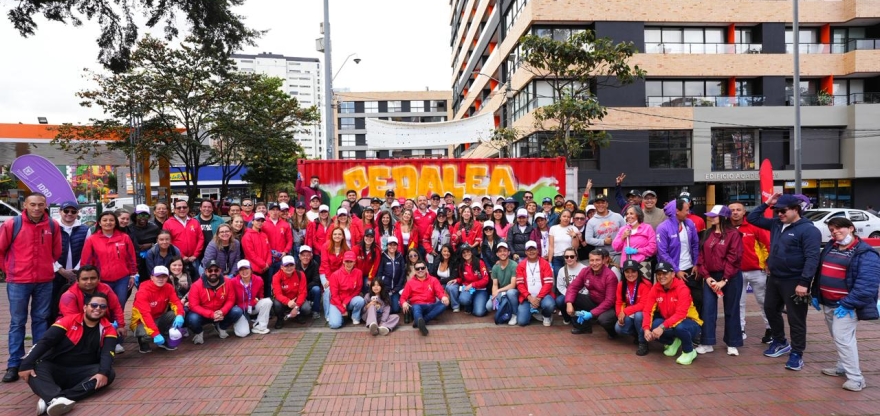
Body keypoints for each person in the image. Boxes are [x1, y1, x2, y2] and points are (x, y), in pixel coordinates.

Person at [748, 193, 822, 371]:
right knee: (770, 309)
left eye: (783, 211)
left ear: (796, 210)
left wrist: (804, 282)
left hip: (795, 280)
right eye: (777, 211)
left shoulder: (809, 230)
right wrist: (767, 203)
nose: (779, 214)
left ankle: (797, 353)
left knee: (796, 319)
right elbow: (752, 217)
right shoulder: (776, 224)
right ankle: (780, 341)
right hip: (775, 278)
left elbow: (812, 258)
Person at [18, 292, 116, 415]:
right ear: (85, 307)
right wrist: (26, 364)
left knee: (108, 374)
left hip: (80, 372)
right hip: (54, 368)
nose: (98, 309)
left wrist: (103, 373)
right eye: (94, 305)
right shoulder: (68, 321)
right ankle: (55, 398)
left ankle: (54, 398)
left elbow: (108, 353)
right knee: (35, 367)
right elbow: (45, 342)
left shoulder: (108, 328)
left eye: (103, 306)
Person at [812, 217, 880, 392]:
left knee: (843, 339)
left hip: (846, 307)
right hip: (828, 302)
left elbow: (867, 285)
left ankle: (856, 379)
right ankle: (842, 366)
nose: (835, 232)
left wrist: (848, 304)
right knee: (839, 338)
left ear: (851, 228)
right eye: (832, 230)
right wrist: (815, 294)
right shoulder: (831, 246)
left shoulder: (866, 253)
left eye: (838, 228)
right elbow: (820, 272)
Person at [0, 193, 62, 382]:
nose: (36, 208)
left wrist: (44, 267)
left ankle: (37, 359)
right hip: (18, 281)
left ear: (46, 206)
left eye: (40, 205)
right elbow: (1, 249)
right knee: (17, 322)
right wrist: (9, 270)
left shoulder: (53, 225)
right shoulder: (12, 224)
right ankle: (14, 363)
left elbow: (56, 251)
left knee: (40, 320)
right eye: (33, 204)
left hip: (44, 280)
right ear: (25, 205)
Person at [80, 211, 137, 351]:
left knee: (119, 307)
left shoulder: (124, 237)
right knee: (102, 309)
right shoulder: (92, 239)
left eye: (111, 220)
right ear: (99, 223)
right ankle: (103, 339)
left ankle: (117, 340)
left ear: (115, 222)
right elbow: (86, 261)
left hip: (121, 279)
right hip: (102, 280)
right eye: (104, 220)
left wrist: (133, 275)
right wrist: (88, 279)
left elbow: (131, 258)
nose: (108, 223)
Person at [694, 205, 744, 356]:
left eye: (714, 215)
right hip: (711, 276)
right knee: (708, 309)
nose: (711, 218)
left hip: (731, 277)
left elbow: (734, 258)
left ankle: (732, 342)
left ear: (723, 217)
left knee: (732, 309)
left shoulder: (733, 234)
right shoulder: (706, 234)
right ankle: (707, 342)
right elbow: (700, 257)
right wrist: (707, 276)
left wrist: (724, 280)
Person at [642, 262, 704, 366]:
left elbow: (681, 314)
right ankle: (673, 342)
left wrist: (662, 327)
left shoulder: (682, 289)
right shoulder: (655, 288)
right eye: (659, 274)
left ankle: (689, 351)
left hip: (690, 322)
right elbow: (647, 310)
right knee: (653, 326)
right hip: (671, 322)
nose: (661, 277)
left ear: (673, 274)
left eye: (665, 273)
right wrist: (646, 329)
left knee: (680, 327)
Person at [729, 201, 772, 343]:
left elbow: (767, 245)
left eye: (738, 210)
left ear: (743, 212)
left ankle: (770, 329)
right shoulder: (725, 228)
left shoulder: (754, 226)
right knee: (738, 302)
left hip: (757, 271)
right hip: (735, 272)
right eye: (732, 210)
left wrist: (767, 263)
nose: (735, 212)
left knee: (764, 301)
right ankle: (739, 329)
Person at [58, 266, 126, 344]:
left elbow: (116, 308)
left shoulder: (105, 288)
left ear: (99, 279)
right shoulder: (68, 296)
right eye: (85, 279)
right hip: (75, 327)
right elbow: (71, 320)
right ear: (77, 280)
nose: (89, 282)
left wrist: (120, 326)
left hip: (101, 323)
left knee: (119, 336)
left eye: (93, 278)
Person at [656, 199, 701, 315]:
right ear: (677, 211)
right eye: (686, 210)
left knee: (698, 300)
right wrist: (676, 271)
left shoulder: (689, 223)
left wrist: (696, 263)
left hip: (690, 269)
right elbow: (662, 253)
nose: (688, 212)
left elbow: (695, 245)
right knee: (675, 303)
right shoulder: (663, 228)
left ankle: (697, 328)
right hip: (672, 272)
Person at [185, 260, 245, 344]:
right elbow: (193, 306)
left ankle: (221, 327)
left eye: (216, 270)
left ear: (220, 271)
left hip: (220, 313)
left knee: (237, 311)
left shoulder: (227, 282)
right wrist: (211, 314)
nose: (213, 273)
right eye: (210, 270)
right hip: (203, 315)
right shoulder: (196, 285)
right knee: (192, 318)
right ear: (205, 271)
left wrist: (222, 311)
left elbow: (231, 300)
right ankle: (199, 333)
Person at [51, 201, 91, 324]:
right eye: (66, 211)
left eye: (73, 211)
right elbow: (47, 251)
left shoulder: (85, 229)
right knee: (53, 305)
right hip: (55, 273)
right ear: (60, 211)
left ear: (77, 213)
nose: (69, 214)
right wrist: (60, 269)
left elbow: (87, 251)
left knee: (76, 304)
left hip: (77, 274)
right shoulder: (52, 227)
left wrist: (77, 270)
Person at [131, 265, 186, 353]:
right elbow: (145, 315)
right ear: (151, 277)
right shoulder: (143, 292)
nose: (161, 279)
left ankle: (163, 338)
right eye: (158, 276)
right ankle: (142, 341)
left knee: (174, 314)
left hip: (158, 318)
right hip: (141, 322)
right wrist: (155, 334)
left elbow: (176, 302)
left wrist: (180, 315)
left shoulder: (168, 287)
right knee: (147, 335)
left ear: (167, 277)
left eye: (164, 276)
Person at [566, 251, 619, 337]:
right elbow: (573, 287)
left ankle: (613, 332)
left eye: (597, 260)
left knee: (604, 319)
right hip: (593, 300)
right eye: (592, 260)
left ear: (603, 261)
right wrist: (569, 303)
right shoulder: (585, 271)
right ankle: (584, 327)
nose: (594, 263)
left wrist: (591, 313)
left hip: (609, 307)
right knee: (572, 297)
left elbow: (610, 301)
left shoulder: (610, 276)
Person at [400, 259, 451, 336]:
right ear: (414, 270)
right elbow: (403, 297)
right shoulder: (410, 283)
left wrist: (443, 297)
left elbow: (439, 292)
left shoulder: (433, 280)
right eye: (417, 269)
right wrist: (403, 303)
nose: (420, 270)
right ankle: (420, 322)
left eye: (422, 268)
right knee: (416, 308)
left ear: (426, 268)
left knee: (444, 304)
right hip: (417, 305)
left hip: (431, 305)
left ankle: (420, 321)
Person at [615, 260, 653, 356]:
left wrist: (625, 311)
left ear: (638, 272)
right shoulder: (621, 284)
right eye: (627, 272)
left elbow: (644, 304)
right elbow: (619, 302)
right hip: (629, 313)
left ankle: (643, 343)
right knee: (618, 328)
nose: (630, 274)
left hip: (643, 312)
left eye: (633, 271)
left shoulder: (645, 284)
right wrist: (619, 314)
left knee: (639, 315)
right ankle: (638, 334)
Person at [514, 241, 555, 326]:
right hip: (527, 298)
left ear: (537, 251)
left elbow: (548, 283)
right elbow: (520, 284)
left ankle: (546, 315)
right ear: (525, 252)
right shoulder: (521, 265)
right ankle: (534, 311)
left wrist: (539, 298)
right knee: (522, 322)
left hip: (543, 297)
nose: (531, 252)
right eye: (529, 250)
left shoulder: (545, 263)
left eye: (533, 249)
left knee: (549, 304)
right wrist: (529, 298)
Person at [163, 199, 205, 282]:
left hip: (194, 259)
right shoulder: (168, 223)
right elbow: (168, 242)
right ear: (174, 210)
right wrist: (182, 256)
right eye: (179, 208)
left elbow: (201, 239)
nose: (182, 209)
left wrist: (195, 255)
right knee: (179, 283)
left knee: (196, 281)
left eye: (184, 207)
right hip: (177, 259)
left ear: (188, 208)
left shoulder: (195, 222)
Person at [611, 206, 657, 278]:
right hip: (626, 265)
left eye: (631, 213)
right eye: (627, 214)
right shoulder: (623, 229)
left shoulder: (647, 228)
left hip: (642, 264)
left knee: (644, 287)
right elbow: (615, 247)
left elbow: (653, 248)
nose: (628, 216)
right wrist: (623, 237)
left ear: (638, 215)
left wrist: (637, 251)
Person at [230, 259, 274, 335]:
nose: (244, 272)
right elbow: (231, 300)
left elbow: (261, 296)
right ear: (238, 272)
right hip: (241, 309)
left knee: (267, 301)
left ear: (251, 269)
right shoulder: (232, 282)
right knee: (243, 333)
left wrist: (256, 301)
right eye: (241, 270)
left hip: (252, 306)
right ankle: (238, 323)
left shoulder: (259, 280)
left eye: (246, 268)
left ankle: (260, 326)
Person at [446, 244, 489, 316]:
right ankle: (470, 305)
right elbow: (462, 279)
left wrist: (473, 285)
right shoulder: (461, 265)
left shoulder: (480, 262)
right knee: (463, 300)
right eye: (464, 252)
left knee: (479, 313)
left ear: (471, 252)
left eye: (468, 251)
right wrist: (456, 280)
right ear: (462, 255)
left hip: (480, 289)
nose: (466, 254)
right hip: (468, 289)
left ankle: (479, 302)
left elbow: (486, 279)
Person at [327, 251, 365, 329]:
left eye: (351, 261)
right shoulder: (335, 275)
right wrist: (342, 309)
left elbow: (357, 290)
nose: (349, 264)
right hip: (337, 302)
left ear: (354, 262)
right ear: (343, 261)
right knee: (335, 325)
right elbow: (334, 295)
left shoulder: (358, 273)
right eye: (347, 261)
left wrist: (346, 302)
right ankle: (344, 315)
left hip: (349, 300)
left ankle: (355, 316)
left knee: (360, 300)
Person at [271, 255, 311, 329]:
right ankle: (280, 319)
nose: (289, 268)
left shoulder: (300, 274)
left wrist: (296, 307)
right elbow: (277, 294)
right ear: (281, 267)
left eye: (291, 265)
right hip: (283, 301)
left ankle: (298, 315)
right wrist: (288, 301)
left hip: (296, 300)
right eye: (286, 266)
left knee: (307, 308)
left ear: (295, 265)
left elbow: (303, 292)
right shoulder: (276, 277)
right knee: (276, 304)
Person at [584, 194, 625, 264]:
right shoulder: (591, 221)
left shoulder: (618, 216)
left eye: (603, 202)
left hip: (618, 254)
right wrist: (603, 241)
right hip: (601, 256)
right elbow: (588, 239)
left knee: (618, 274)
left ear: (607, 204)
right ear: (594, 205)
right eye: (598, 203)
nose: (600, 205)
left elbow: (625, 231)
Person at [128, 204, 160, 284]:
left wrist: (151, 244)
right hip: (135, 259)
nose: (143, 218)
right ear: (135, 216)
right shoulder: (129, 228)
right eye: (140, 215)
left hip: (151, 259)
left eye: (145, 215)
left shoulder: (154, 228)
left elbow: (160, 241)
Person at [241, 213, 272, 294]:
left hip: (265, 268)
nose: (260, 222)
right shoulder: (247, 236)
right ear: (252, 221)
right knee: (255, 291)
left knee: (265, 288)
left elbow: (269, 250)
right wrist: (263, 264)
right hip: (254, 269)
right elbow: (250, 254)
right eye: (258, 220)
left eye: (262, 221)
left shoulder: (264, 235)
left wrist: (268, 263)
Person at [555, 247, 586, 326]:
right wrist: (569, 296)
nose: (569, 259)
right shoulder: (562, 270)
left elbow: (588, 286)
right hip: (568, 294)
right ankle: (567, 318)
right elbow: (560, 286)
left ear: (576, 257)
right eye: (566, 257)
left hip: (582, 295)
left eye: (572, 256)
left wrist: (578, 295)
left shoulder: (584, 269)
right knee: (559, 300)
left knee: (578, 324)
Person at [263, 203, 293, 281]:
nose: (275, 212)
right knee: (268, 281)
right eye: (273, 210)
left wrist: (285, 252)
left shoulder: (285, 224)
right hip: (268, 258)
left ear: (279, 212)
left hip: (281, 257)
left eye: (277, 210)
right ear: (269, 211)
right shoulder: (263, 224)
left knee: (281, 280)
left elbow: (290, 240)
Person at [547, 209, 580, 276]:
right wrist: (549, 261)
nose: (566, 218)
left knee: (570, 278)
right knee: (558, 277)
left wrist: (574, 236)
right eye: (564, 216)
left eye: (568, 217)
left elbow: (575, 247)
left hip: (570, 257)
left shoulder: (574, 229)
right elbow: (551, 246)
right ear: (560, 217)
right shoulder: (553, 228)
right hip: (557, 258)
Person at [378, 236, 406, 313]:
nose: (392, 247)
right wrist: (382, 285)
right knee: (385, 309)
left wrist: (397, 287)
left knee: (395, 309)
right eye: (390, 245)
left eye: (394, 245)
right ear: (387, 245)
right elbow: (379, 272)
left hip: (396, 289)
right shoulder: (383, 256)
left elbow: (403, 273)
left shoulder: (400, 256)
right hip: (385, 288)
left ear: (397, 246)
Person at [195, 200, 224, 267]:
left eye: (209, 207)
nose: (207, 209)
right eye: (204, 207)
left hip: (215, 252)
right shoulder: (193, 220)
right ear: (200, 208)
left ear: (212, 208)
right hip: (198, 254)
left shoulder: (220, 220)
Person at [297, 246, 322, 318]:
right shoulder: (295, 265)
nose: (305, 257)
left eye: (308, 255)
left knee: (317, 289)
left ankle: (316, 311)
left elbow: (316, 280)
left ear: (311, 256)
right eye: (303, 255)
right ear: (299, 256)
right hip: (298, 290)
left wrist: (305, 287)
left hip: (309, 288)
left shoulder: (315, 264)